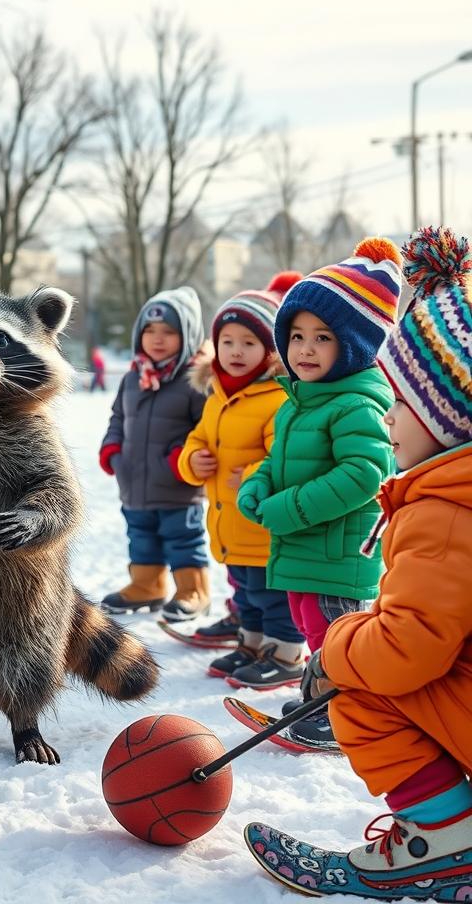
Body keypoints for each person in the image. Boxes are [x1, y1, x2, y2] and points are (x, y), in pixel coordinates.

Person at [245, 227, 472, 900]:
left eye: (399, 399)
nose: (388, 412)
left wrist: (342, 646)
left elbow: (409, 651)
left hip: (337, 566)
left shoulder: (447, 509)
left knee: (360, 686)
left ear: (445, 410)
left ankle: (443, 841)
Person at [239, 238, 399, 745]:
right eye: (297, 335)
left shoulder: (356, 403)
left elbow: (366, 473)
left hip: (338, 553)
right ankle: (320, 698)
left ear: (354, 345)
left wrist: (289, 508)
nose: (305, 349)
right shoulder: (300, 402)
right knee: (315, 631)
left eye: (323, 337)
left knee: (340, 638)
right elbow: (280, 461)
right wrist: (258, 484)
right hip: (306, 550)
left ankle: (347, 713)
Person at [178, 275, 305, 684]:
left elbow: (284, 458)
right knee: (246, 595)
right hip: (229, 523)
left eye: (249, 343)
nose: (235, 351)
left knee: (272, 596)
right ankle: (251, 644)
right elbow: (198, 439)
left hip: (262, 525)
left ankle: (285, 654)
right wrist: (191, 461)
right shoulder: (219, 394)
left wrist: (252, 477)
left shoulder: (277, 399)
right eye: (227, 341)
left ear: (270, 351)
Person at [99, 287, 210, 622]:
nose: (157, 339)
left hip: (178, 485)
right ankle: (147, 584)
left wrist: (182, 459)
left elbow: (207, 429)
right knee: (141, 536)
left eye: (169, 332)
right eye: (150, 331)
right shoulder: (134, 378)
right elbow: (118, 416)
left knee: (183, 538)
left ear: (187, 335)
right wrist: (112, 449)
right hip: (133, 480)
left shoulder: (195, 380)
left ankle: (194, 590)